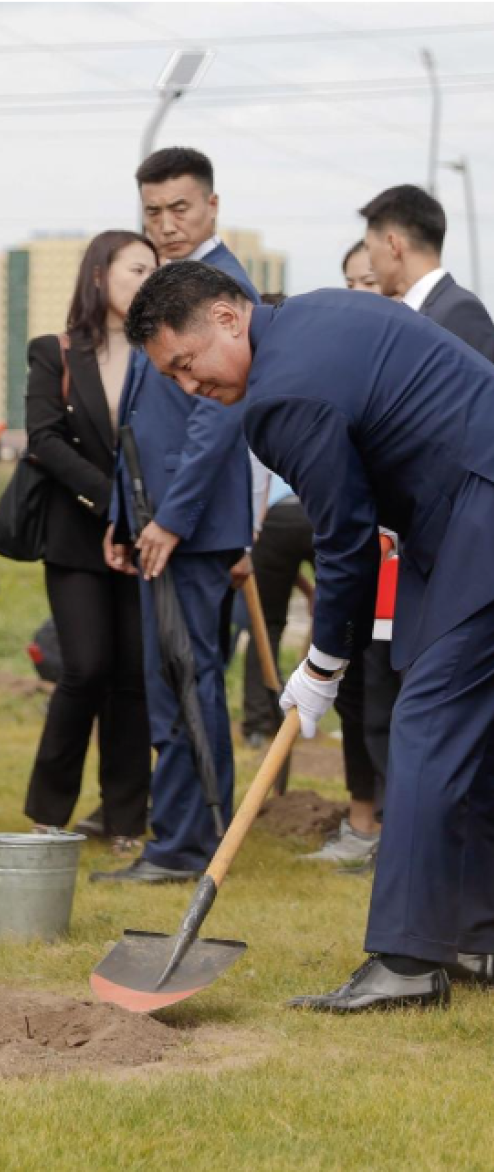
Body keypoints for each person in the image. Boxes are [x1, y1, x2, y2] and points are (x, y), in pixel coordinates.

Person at [127, 260, 494, 1012]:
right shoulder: (319, 315)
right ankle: (475, 936)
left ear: (228, 317)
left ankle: (407, 963)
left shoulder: (280, 395)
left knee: (427, 727)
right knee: (469, 737)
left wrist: (324, 662)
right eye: (173, 377)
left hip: (479, 512)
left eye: (188, 364)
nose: (190, 386)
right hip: (458, 513)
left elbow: (344, 536)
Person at [92, 147, 257, 885]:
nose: (165, 223)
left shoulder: (222, 292)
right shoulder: (168, 286)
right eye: (153, 211)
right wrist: (125, 516)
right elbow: (141, 418)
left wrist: (172, 521)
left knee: (185, 681)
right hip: (155, 524)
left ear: (212, 206)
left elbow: (216, 419)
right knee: (176, 679)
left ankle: (184, 846)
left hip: (187, 530)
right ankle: (195, 833)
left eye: (180, 208)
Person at [21, 231, 157, 853]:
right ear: (99, 274)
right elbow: (44, 440)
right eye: (137, 269)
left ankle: (125, 821)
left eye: (155, 271)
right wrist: (110, 503)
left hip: (144, 537)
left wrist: (137, 519)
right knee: (85, 667)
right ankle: (48, 814)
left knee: (132, 677)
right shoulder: (55, 351)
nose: (148, 280)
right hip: (76, 534)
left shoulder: (162, 351)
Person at [303, 243, 395, 866]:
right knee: (358, 689)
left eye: (370, 280)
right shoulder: (336, 364)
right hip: (360, 557)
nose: (360, 292)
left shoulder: (407, 353)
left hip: (402, 558)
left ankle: (399, 829)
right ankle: (362, 822)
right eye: (350, 283)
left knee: (393, 697)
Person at [360, 184, 494, 361]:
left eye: (368, 248)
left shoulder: (459, 312)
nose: (370, 264)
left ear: (393, 245)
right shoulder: (413, 313)